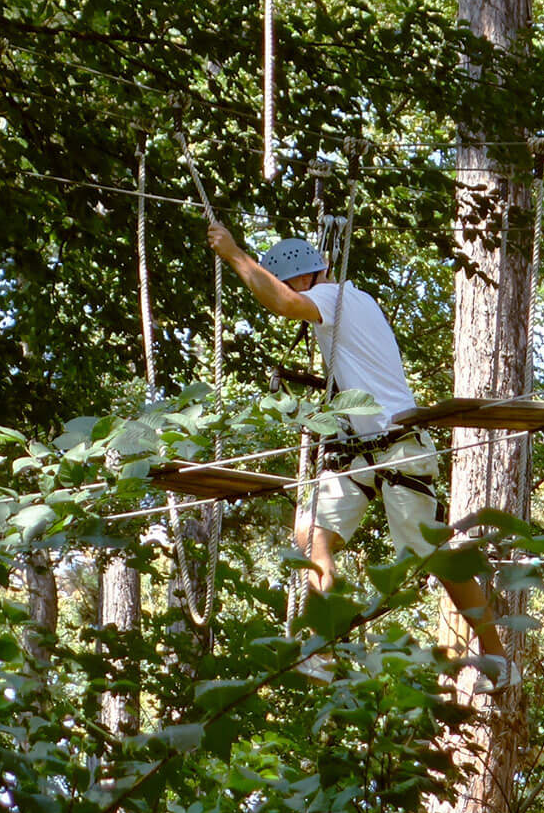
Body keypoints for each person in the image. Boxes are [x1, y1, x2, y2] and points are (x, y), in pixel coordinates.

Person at [205, 219, 503, 658]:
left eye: (292, 283)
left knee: (434, 558)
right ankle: (323, 650)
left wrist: (234, 254)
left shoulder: (334, 296)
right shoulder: (347, 302)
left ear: (306, 277)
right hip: (362, 449)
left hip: (399, 444)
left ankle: (497, 653)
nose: (295, 292)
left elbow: (283, 302)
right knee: (311, 534)